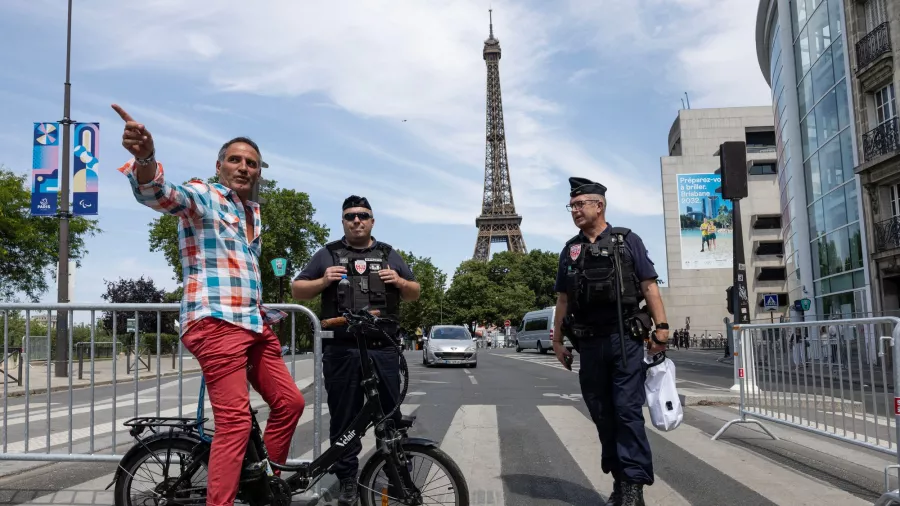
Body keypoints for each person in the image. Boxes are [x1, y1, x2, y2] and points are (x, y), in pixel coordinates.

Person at [111, 104, 305, 506]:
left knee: (290, 403)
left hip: (252, 323)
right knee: (234, 422)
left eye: (251, 163)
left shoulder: (253, 212)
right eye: (235, 160)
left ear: (259, 171)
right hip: (216, 322)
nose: (244, 167)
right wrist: (145, 158)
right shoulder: (204, 196)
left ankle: (262, 487)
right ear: (219, 166)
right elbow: (160, 193)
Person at [291, 195, 420, 506]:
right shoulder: (328, 254)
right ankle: (348, 479)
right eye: (350, 216)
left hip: (382, 348)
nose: (357, 220)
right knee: (345, 419)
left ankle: (396, 476)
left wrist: (400, 280)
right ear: (343, 222)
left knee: (390, 415)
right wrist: (323, 280)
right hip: (342, 350)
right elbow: (297, 289)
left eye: (363, 215)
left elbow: (414, 294)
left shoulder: (389, 254)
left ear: (372, 220)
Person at [552, 177, 669, 506]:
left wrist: (662, 328)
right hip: (589, 344)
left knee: (627, 412)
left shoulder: (627, 241)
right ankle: (620, 478)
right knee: (602, 413)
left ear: (599, 205)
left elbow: (649, 286)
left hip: (625, 340)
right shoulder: (570, 250)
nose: (575, 210)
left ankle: (633, 487)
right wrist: (558, 340)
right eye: (571, 206)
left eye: (580, 204)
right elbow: (563, 299)